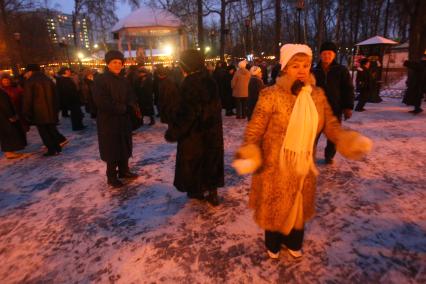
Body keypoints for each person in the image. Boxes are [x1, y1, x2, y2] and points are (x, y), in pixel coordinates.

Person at [232, 44, 372, 259]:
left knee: (297, 205)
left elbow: (331, 125)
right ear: (285, 67)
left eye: (305, 65)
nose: (301, 70)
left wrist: (346, 140)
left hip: (303, 165)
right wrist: (250, 149)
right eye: (295, 65)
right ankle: (274, 243)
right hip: (275, 165)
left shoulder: (317, 95)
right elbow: (255, 127)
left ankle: (293, 241)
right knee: (275, 205)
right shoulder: (271, 95)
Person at [165, 49, 224, 206]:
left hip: (194, 134)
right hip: (212, 132)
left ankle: (197, 190)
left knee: (194, 163)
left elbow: (188, 113)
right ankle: (212, 192)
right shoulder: (210, 80)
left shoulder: (190, 84)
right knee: (210, 161)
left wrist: (174, 132)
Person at [93, 50, 140, 188]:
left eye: (120, 62)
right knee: (112, 147)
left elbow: (131, 95)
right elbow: (101, 101)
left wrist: (132, 104)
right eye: (114, 62)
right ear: (108, 64)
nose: (117, 65)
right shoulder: (100, 80)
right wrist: (122, 108)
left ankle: (124, 171)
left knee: (124, 145)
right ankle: (111, 176)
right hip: (109, 120)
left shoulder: (124, 80)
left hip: (123, 119)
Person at [313, 41, 355, 164]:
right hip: (317, 110)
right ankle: (309, 155)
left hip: (335, 109)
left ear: (334, 55)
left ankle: (329, 156)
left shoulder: (341, 70)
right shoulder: (314, 71)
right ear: (320, 55)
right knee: (312, 135)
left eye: (330, 53)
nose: (327, 56)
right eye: (324, 53)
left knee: (333, 136)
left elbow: (348, 89)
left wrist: (348, 107)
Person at [23, 64, 67, 156]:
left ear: (30, 71)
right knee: (51, 129)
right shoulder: (48, 79)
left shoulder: (30, 81)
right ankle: (57, 148)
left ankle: (51, 150)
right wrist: (56, 109)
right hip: (51, 110)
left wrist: (26, 112)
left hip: (39, 112)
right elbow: (56, 96)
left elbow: (28, 99)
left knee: (44, 132)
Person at [0, 87, 27, 159]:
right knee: (9, 133)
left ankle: (9, 152)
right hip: (4, 117)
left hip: (2, 117)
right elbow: (5, 105)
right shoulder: (1, 92)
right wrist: (11, 116)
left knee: (5, 134)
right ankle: (9, 152)